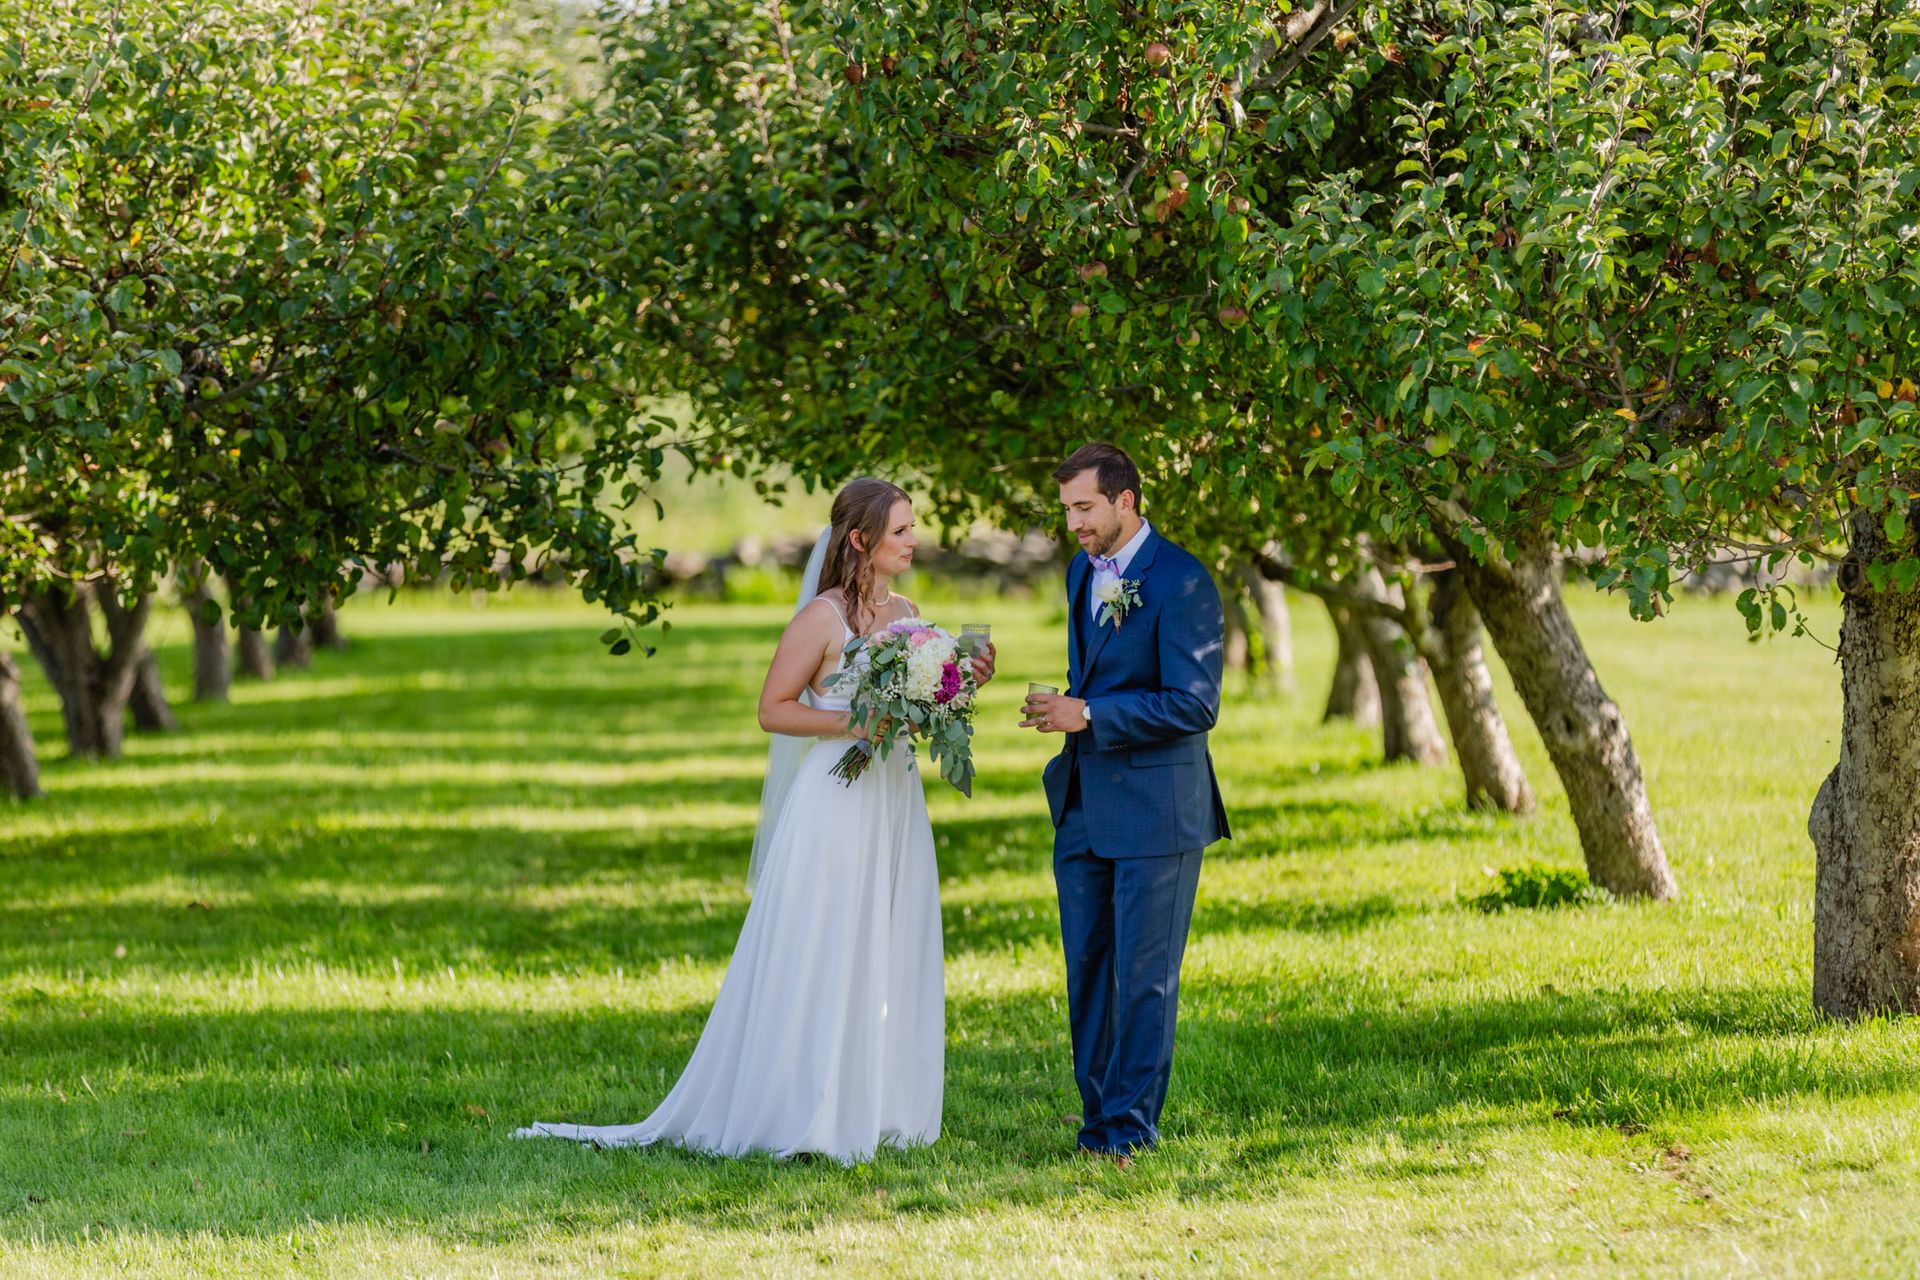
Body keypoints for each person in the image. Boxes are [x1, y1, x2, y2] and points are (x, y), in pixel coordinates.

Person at [517, 476, 996, 1164]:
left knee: (886, 937)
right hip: (835, 802)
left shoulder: (911, 613)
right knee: (827, 944)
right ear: (860, 540)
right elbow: (773, 709)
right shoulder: (821, 619)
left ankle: (881, 1103)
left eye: (913, 528)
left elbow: (925, 705)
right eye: (901, 530)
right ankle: (805, 1108)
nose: (914, 540)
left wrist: (965, 680)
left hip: (894, 799)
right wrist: (849, 720)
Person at [1021, 442, 1229, 1167]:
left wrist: (1092, 716)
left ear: (1125, 501)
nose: (1073, 523)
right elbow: (1102, 677)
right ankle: (1096, 1122)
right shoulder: (1083, 570)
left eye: (1084, 507)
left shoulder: (1184, 582)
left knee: (1143, 979)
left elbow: (1194, 704)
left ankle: (1130, 1132)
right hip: (1084, 802)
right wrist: (1065, 708)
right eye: (1068, 509)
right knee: (1087, 971)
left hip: (1157, 810)